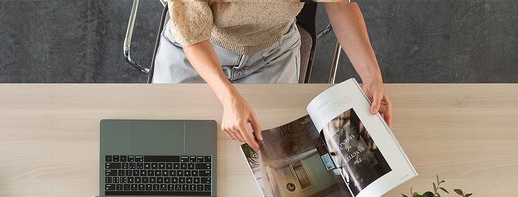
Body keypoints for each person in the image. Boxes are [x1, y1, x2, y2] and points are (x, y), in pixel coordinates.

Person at [152, 1, 391, 150]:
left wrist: (372, 76)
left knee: (273, 151)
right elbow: (193, 36)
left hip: (273, 50)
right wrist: (228, 97)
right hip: (199, 44)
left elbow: (340, 5)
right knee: (164, 144)